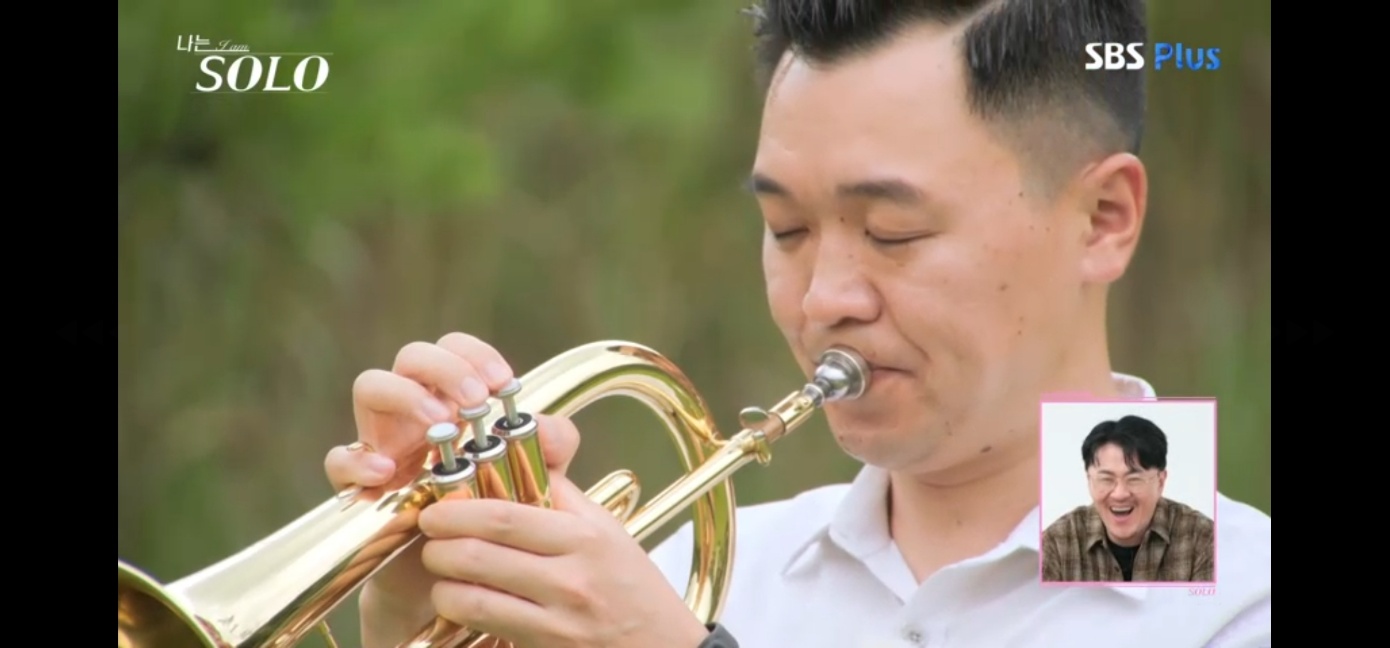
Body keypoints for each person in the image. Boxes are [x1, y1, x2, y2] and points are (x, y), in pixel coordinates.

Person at [322, 0, 1272, 646]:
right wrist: (426, 620)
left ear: (1102, 219)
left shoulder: (1240, 606)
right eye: (787, 230)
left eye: (893, 232)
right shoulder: (682, 572)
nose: (822, 300)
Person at [1041, 414, 1216, 583]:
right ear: (1089, 481)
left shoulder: (1203, 539)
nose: (1120, 494)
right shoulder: (1056, 543)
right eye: (1106, 479)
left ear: (1160, 482)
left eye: (1134, 479)